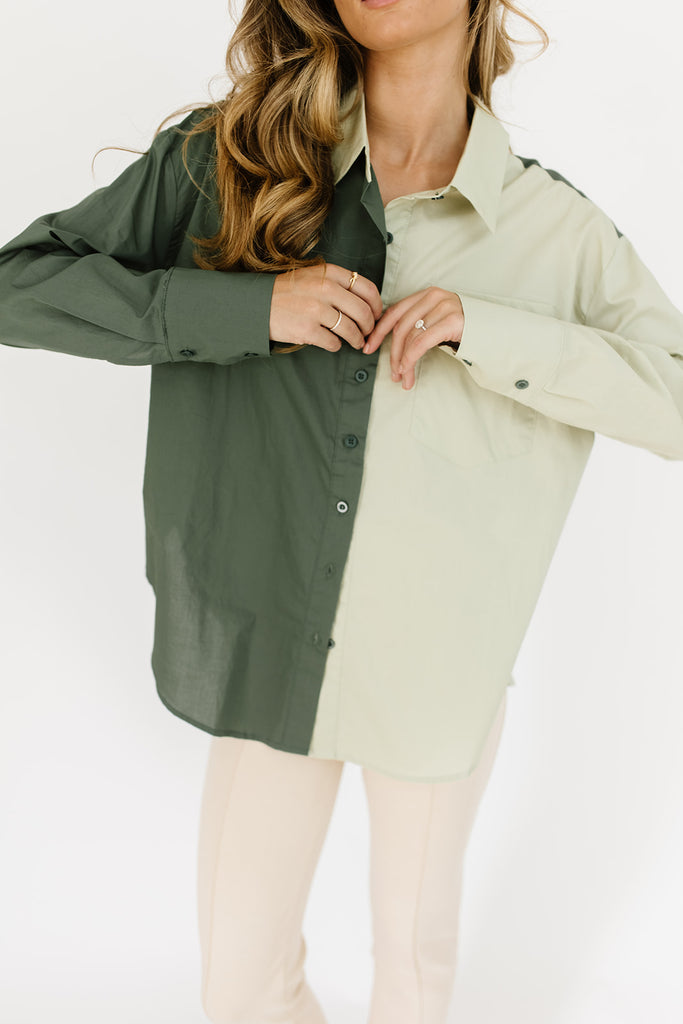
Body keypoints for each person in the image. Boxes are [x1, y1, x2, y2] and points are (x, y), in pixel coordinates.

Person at [2, 1, 683, 1022]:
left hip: (438, 658)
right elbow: (18, 285)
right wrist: (247, 308)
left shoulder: (556, 233)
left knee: (412, 979)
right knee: (241, 985)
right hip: (269, 634)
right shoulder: (229, 164)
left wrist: (489, 330)